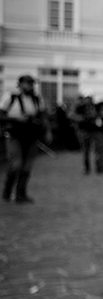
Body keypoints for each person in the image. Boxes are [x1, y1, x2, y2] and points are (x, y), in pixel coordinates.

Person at [2, 75, 47, 203]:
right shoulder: (10, 97)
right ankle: (7, 191)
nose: (30, 86)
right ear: (20, 84)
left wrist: (46, 130)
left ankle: (20, 194)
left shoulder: (37, 99)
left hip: (31, 137)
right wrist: (16, 119)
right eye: (27, 83)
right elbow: (1, 115)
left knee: (27, 166)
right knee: (16, 164)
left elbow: (43, 116)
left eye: (31, 83)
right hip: (15, 135)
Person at [73, 95, 103, 175]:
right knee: (86, 151)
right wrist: (83, 117)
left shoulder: (97, 106)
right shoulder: (80, 107)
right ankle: (87, 168)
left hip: (96, 131)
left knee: (99, 150)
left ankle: (99, 167)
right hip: (85, 131)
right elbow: (72, 115)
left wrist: (97, 115)